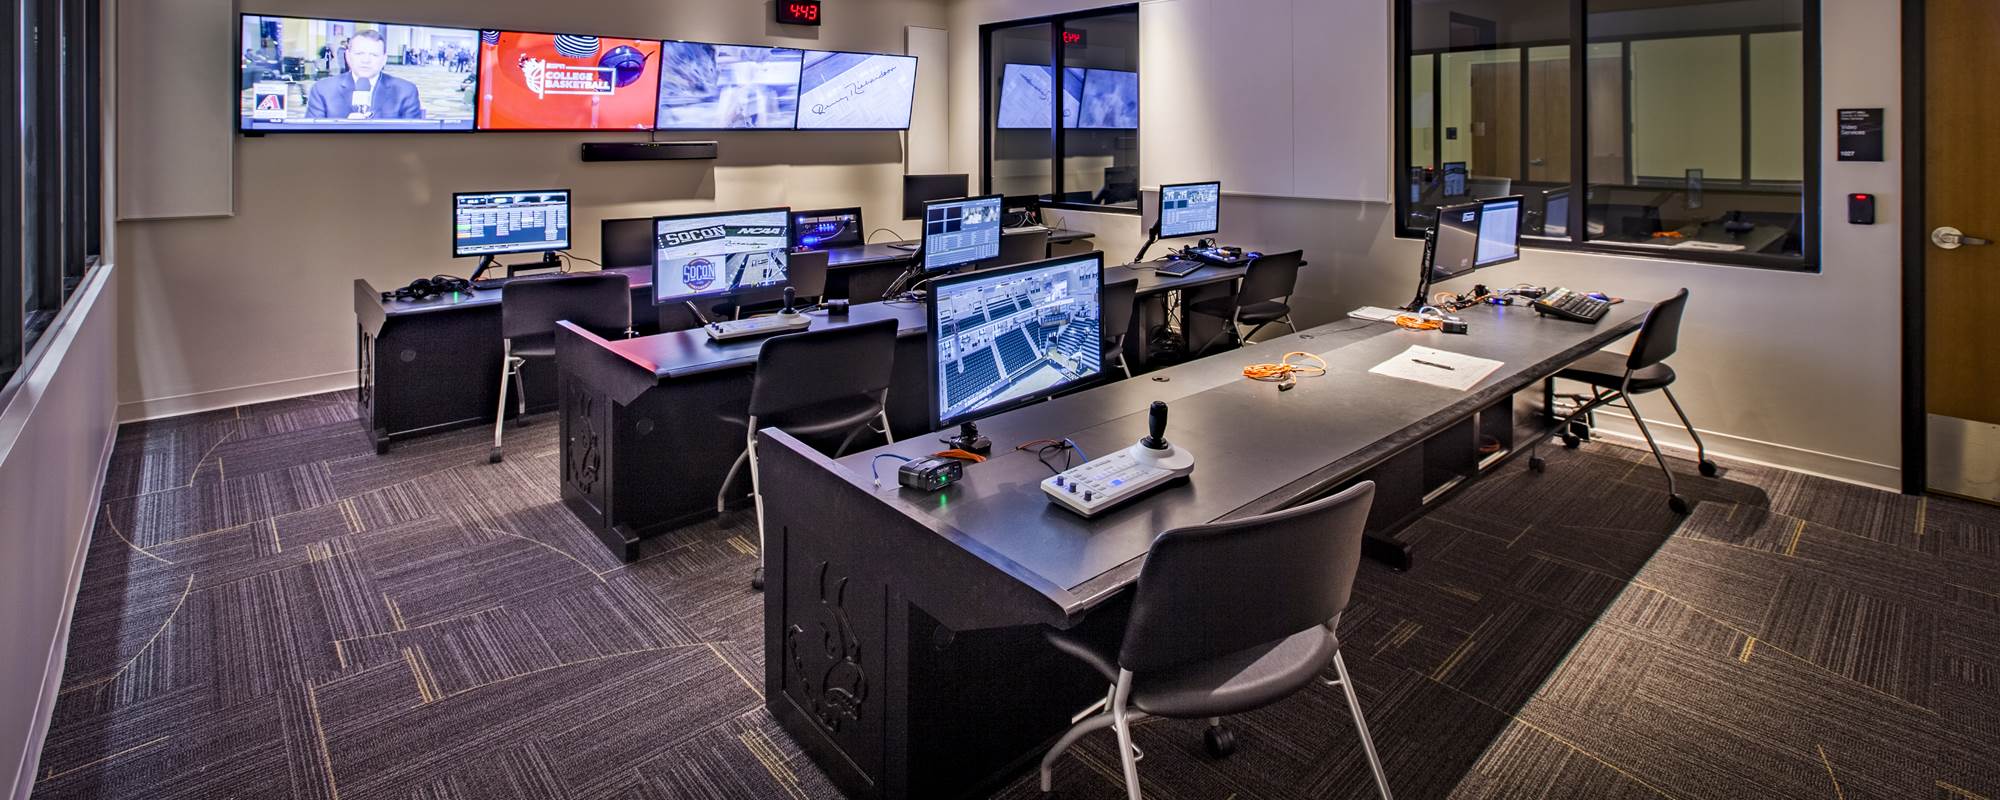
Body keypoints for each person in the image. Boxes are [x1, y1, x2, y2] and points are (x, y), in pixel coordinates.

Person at [306, 29, 424, 120]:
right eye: (359, 53)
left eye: (373, 55)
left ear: (384, 59)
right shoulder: (322, 89)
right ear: (347, 56)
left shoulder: (405, 91)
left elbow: (414, 141)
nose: (366, 60)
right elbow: (309, 140)